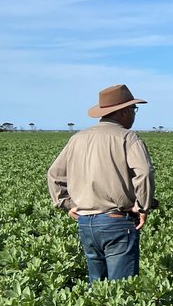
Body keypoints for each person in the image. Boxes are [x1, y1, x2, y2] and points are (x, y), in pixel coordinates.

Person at [47, 84, 155, 283]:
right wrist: (142, 206)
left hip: (86, 224)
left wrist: (67, 204)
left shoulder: (77, 138)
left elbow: (54, 174)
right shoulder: (128, 137)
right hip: (116, 221)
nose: (134, 114)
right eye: (133, 109)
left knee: (97, 287)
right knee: (121, 290)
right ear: (123, 111)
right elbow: (145, 172)